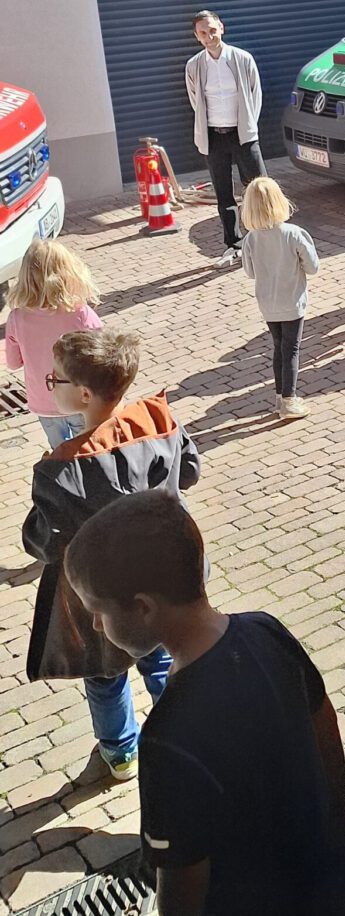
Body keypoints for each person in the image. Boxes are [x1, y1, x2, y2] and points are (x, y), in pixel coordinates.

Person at [63, 490, 345, 916]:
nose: (97, 625)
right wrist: (336, 825)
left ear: (143, 607)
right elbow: (325, 726)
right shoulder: (266, 631)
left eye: (98, 611)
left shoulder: (166, 739)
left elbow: (182, 881)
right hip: (336, 878)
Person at [22, 329, 200, 781]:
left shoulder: (61, 468)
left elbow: (43, 543)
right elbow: (190, 471)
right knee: (162, 658)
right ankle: (183, 733)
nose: (50, 384)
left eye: (55, 379)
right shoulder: (159, 422)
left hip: (99, 601)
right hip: (160, 581)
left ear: (83, 394)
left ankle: (120, 754)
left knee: (103, 675)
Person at [185, 10, 266, 268]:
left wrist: (249, 126)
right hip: (214, 136)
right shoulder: (194, 66)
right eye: (203, 33)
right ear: (197, 36)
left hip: (242, 134)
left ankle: (265, 241)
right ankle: (234, 244)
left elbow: (255, 95)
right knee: (224, 193)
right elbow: (196, 100)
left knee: (259, 188)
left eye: (212, 30)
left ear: (221, 28)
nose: (209, 36)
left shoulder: (243, 59)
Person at [5, 239, 102, 449]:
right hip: (79, 397)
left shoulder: (17, 318)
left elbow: (13, 363)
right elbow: (101, 352)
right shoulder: (80, 313)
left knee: (60, 453)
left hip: (43, 400)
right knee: (87, 449)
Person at [240, 177, 319, 419]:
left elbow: (249, 272)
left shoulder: (251, 238)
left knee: (279, 348)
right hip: (292, 301)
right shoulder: (294, 233)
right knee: (291, 348)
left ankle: (279, 395)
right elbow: (313, 267)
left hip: (267, 303)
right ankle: (289, 399)